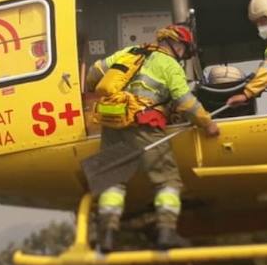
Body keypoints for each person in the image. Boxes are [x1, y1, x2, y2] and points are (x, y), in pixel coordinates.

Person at [84, 24, 220, 252]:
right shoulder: (169, 65)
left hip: (113, 125)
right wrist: (208, 124)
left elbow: (93, 75)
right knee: (167, 181)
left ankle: (107, 235)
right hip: (145, 126)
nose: (183, 56)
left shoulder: (130, 52)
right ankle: (166, 232)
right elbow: (186, 103)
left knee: (112, 181)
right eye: (184, 51)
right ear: (176, 44)